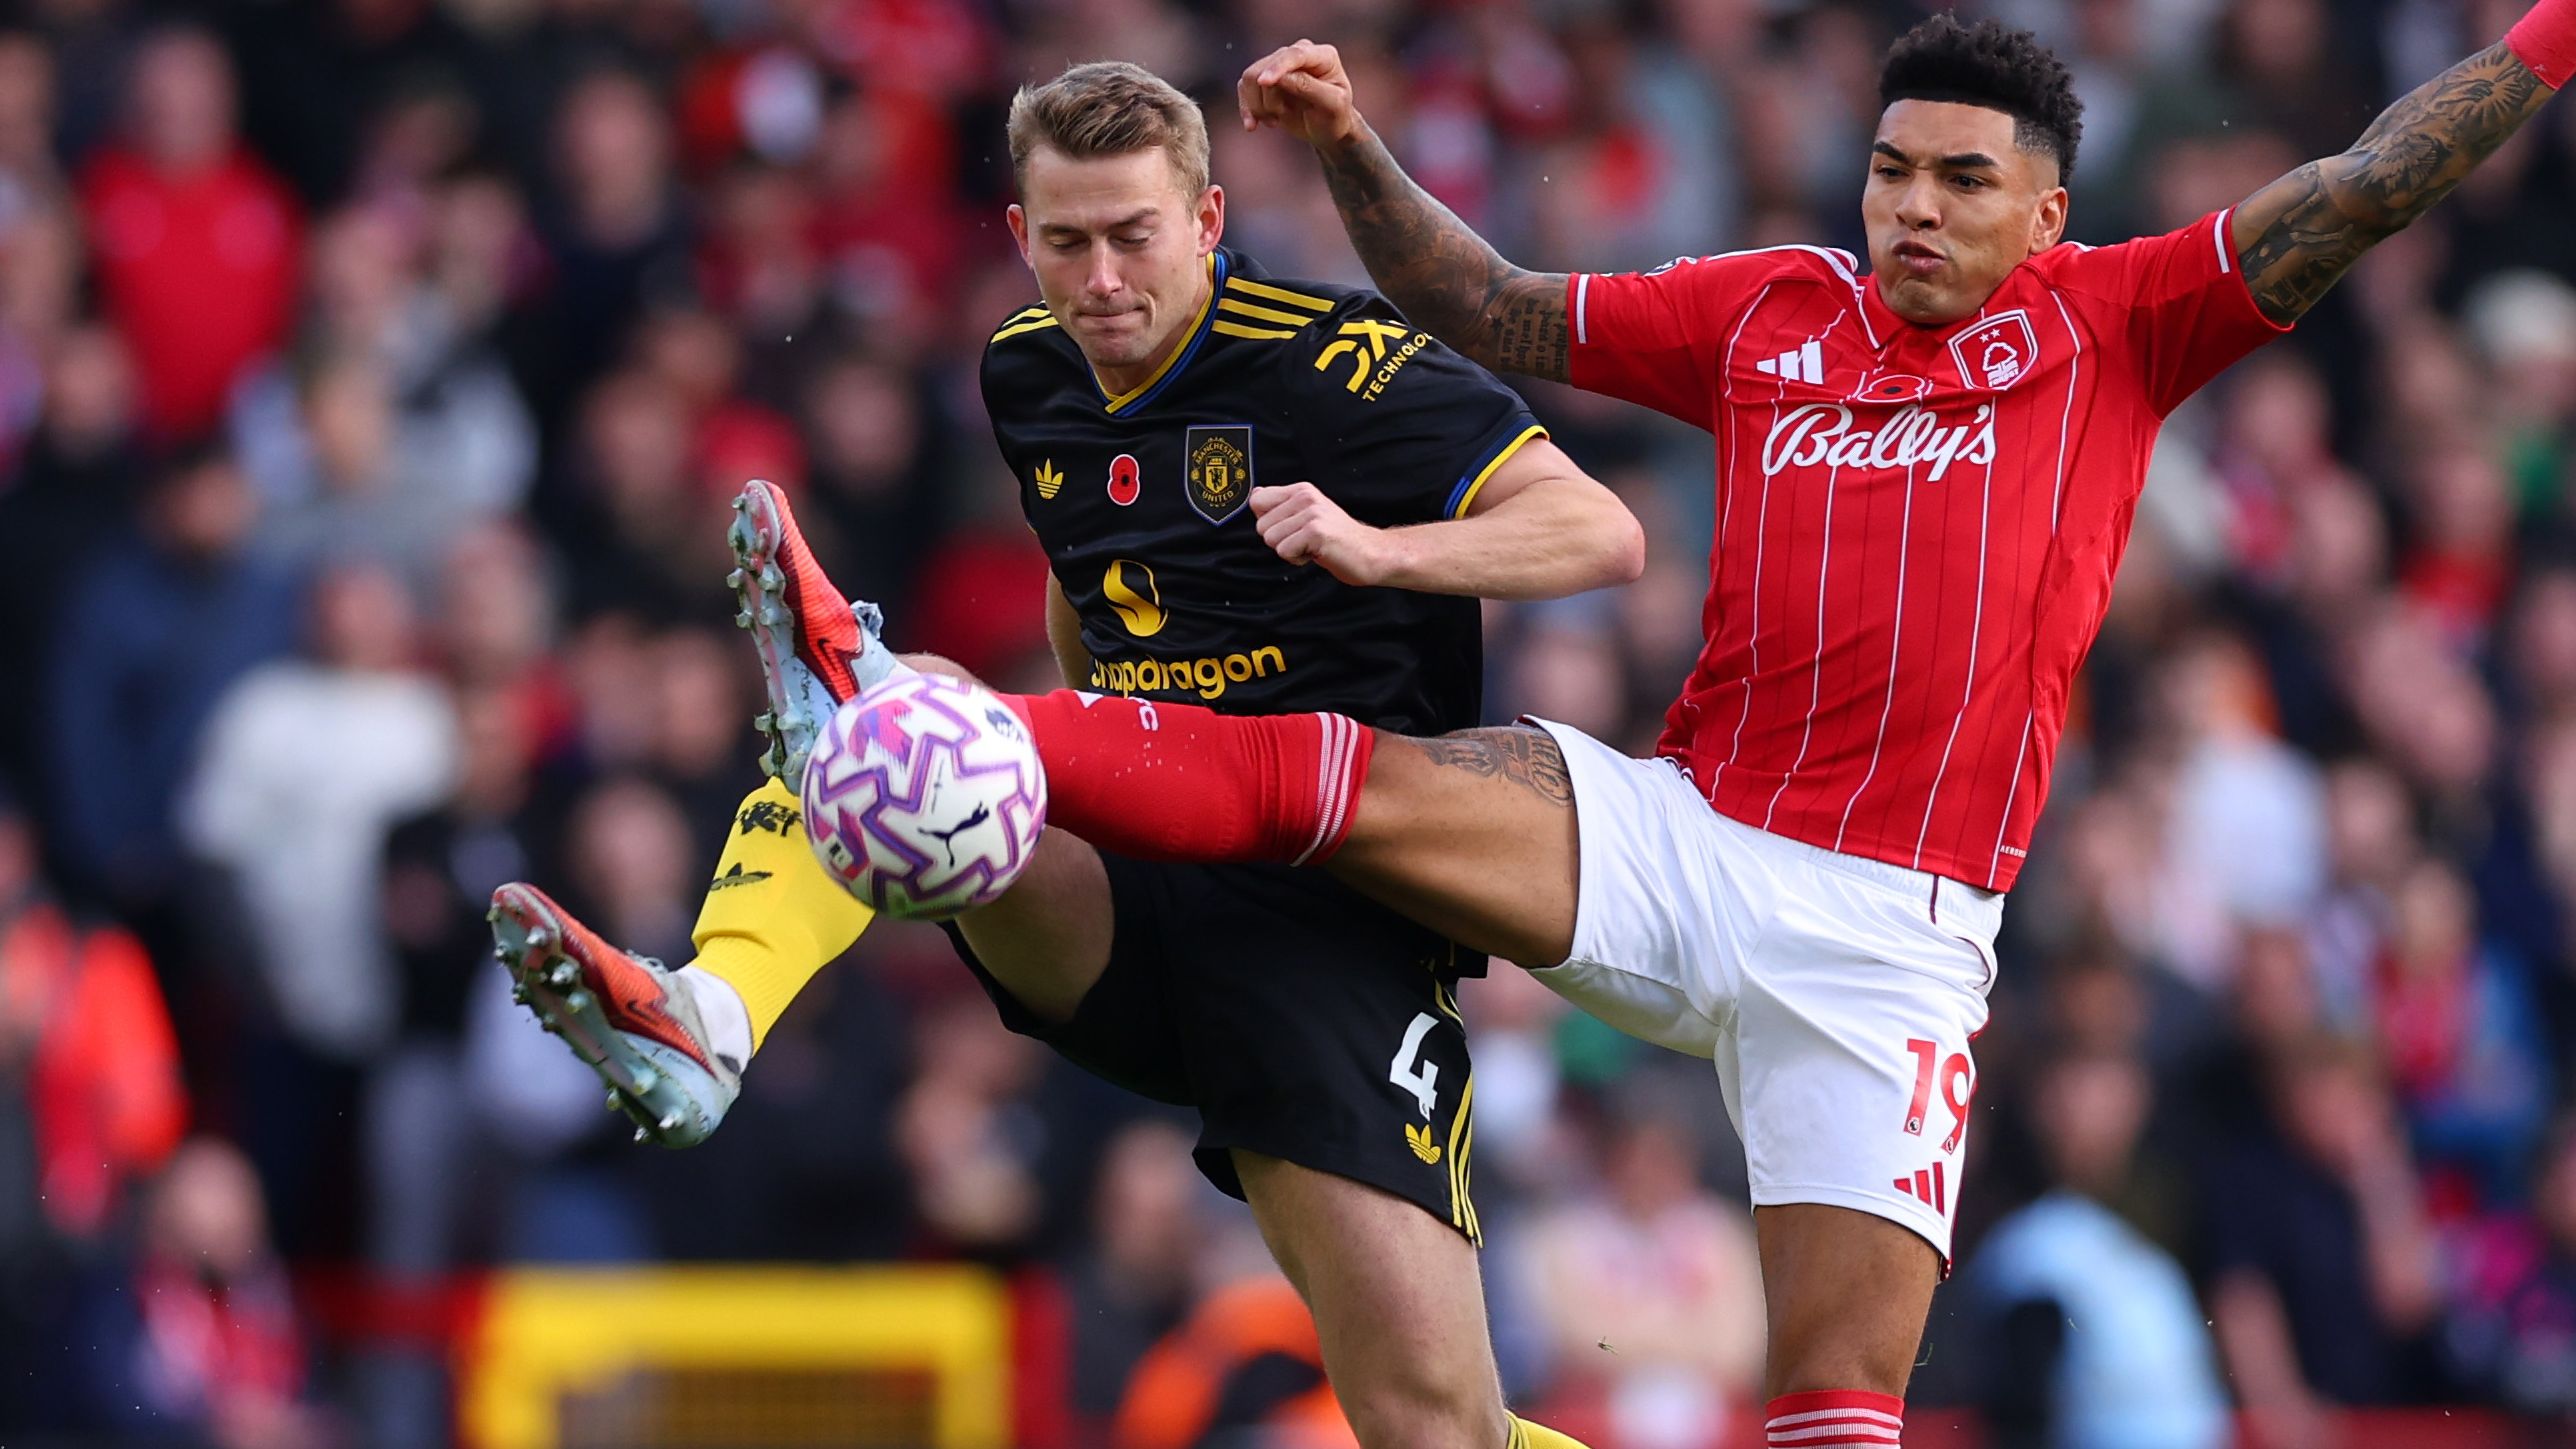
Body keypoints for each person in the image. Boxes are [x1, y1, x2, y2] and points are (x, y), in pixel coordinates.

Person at [807, 10, 2569, 1444]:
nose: (1916, 210)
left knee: (1833, 1407)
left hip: (1894, 939)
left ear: (2048, 216)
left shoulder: (2118, 322)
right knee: (1351, 781)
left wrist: (2555, 38)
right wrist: (1350, 147)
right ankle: (979, 744)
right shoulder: (1767, 312)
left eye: (1967, 180)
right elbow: (1487, 307)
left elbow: (2354, 188)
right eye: (1892, 170)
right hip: (1685, 833)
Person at [486, 61, 1639, 1449]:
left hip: (1327, 917)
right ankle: (711, 1021)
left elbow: (1597, 533)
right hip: (1131, 865)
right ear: (1021, 236)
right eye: (1067, 240)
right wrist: (1073, 733)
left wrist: (1379, 545)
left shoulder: (1337, 365)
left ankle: (861, 691)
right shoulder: (1027, 367)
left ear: (1208, 219)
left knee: (1435, 1427)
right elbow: (1084, 574)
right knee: (906, 741)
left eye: (1134, 236)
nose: (1099, 279)